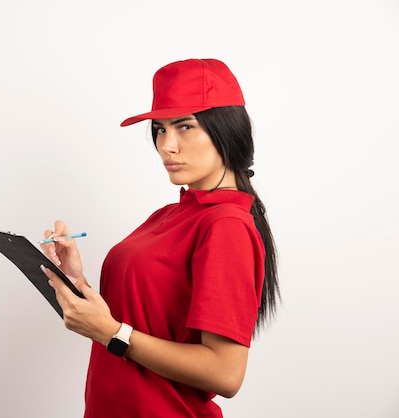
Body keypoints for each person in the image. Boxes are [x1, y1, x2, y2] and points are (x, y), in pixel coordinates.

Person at [39, 58, 280, 418]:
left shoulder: (226, 224)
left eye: (184, 126)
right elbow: (137, 319)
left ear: (227, 129)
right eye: (160, 129)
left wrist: (113, 334)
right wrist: (76, 280)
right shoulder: (172, 214)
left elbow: (226, 373)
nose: (167, 145)